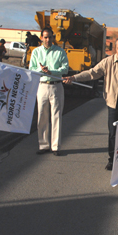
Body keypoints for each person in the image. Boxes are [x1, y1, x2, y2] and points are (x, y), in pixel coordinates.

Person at [63, 36, 118, 170]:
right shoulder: (108, 62)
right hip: (114, 101)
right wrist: (73, 77)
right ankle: (112, 160)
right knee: (113, 133)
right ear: (115, 49)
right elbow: (92, 73)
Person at [29, 27, 69, 156]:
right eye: (45, 37)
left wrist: (51, 71)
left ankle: (56, 146)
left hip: (56, 86)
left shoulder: (60, 52)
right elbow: (32, 68)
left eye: (50, 37)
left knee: (56, 116)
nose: (47, 39)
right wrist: (43, 71)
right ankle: (43, 145)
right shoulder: (36, 52)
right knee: (42, 116)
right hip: (42, 86)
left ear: (53, 38)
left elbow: (65, 69)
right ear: (41, 38)